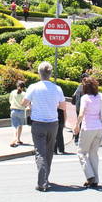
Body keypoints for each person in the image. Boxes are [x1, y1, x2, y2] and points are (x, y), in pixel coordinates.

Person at [22, 61, 66, 192]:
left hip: (38, 123)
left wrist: (31, 105)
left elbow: (24, 102)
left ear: (39, 73)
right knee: (49, 152)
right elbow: (63, 106)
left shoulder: (33, 87)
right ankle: (46, 178)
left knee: (40, 152)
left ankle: (42, 182)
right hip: (53, 123)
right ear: (50, 73)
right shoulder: (57, 88)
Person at [73, 77, 102, 188]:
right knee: (93, 154)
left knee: (81, 152)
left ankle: (90, 176)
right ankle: (95, 179)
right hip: (99, 128)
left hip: (88, 128)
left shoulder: (85, 98)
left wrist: (76, 125)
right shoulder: (100, 97)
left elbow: (81, 114)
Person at [71, 73, 88, 144]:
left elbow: (73, 96)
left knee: (79, 122)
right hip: (82, 108)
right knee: (82, 123)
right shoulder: (85, 88)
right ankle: (79, 138)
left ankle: (76, 138)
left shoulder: (78, 87)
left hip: (77, 107)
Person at [9, 81, 27, 147]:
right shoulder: (24, 94)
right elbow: (25, 103)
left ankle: (15, 139)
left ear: (17, 86)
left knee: (14, 126)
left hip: (13, 110)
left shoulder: (13, 92)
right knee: (20, 126)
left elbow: (10, 101)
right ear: (23, 87)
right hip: (21, 111)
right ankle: (17, 139)